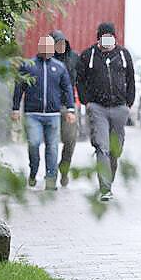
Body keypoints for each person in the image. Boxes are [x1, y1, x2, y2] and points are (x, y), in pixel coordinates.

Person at [76, 22, 135, 201]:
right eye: (104, 37)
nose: (108, 40)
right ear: (99, 38)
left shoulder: (124, 55)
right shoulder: (89, 55)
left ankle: (109, 180)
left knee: (115, 150)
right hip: (98, 108)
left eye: (111, 36)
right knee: (103, 147)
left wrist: (128, 103)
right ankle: (105, 188)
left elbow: (131, 78)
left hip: (119, 108)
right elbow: (80, 80)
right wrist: (87, 102)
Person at [11, 34, 76, 190]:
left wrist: (70, 109)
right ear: (39, 47)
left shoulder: (59, 68)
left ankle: (51, 179)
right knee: (33, 143)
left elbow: (67, 89)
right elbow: (19, 88)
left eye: (50, 47)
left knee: (52, 147)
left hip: (53, 114)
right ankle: (33, 170)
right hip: (33, 114)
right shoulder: (28, 65)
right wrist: (15, 108)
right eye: (44, 46)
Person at [51, 29, 79, 186]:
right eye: (57, 43)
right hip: (51, 107)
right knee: (52, 142)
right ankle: (52, 174)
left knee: (70, 140)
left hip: (68, 106)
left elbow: (83, 78)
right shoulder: (46, 59)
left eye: (62, 43)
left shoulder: (74, 58)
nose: (60, 46)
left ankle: (64, 168)